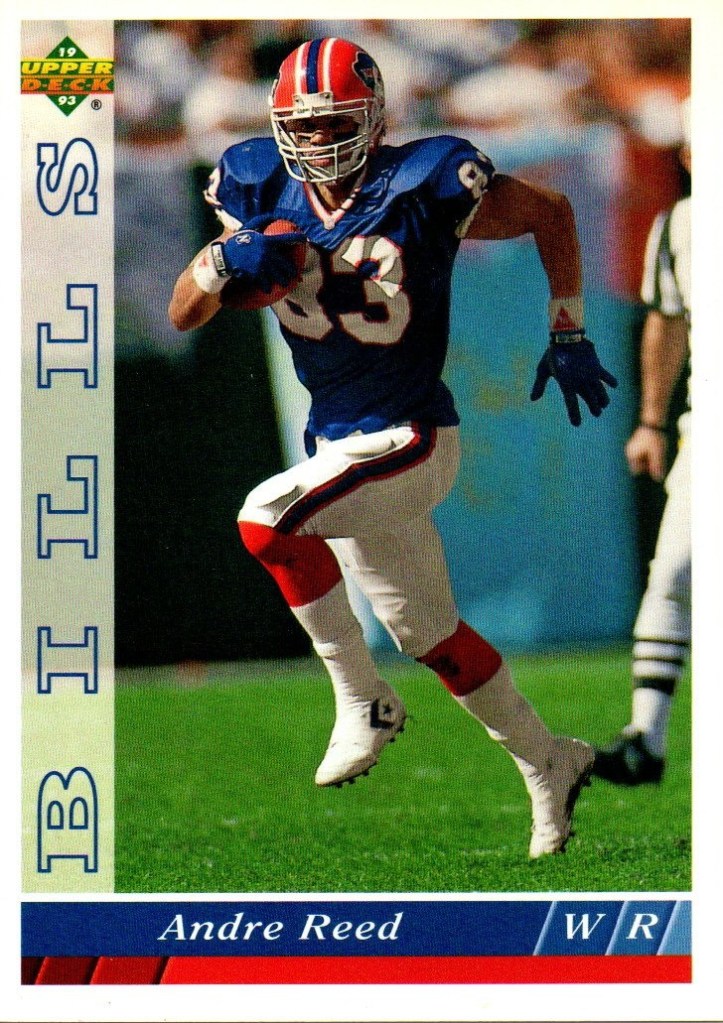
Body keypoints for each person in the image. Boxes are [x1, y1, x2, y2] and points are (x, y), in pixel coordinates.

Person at [169, 37, 618, 858]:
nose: (316, 139)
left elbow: (550, 211)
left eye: (335, 122)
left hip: (412, 435)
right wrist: (219, 261)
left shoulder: (425, 179)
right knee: (428, 633)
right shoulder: (253, 179)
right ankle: (548, 759)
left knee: (264, 517)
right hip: (340, 447)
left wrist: (567, 328)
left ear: (374, 120)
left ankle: (360, 699)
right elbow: (182, 314)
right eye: (302, 124)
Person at [593, 109, 690, 786]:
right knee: (674, 571)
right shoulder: (680, 224)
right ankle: (644, 739)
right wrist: (651, 420)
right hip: (707, 426)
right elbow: (666, 319)